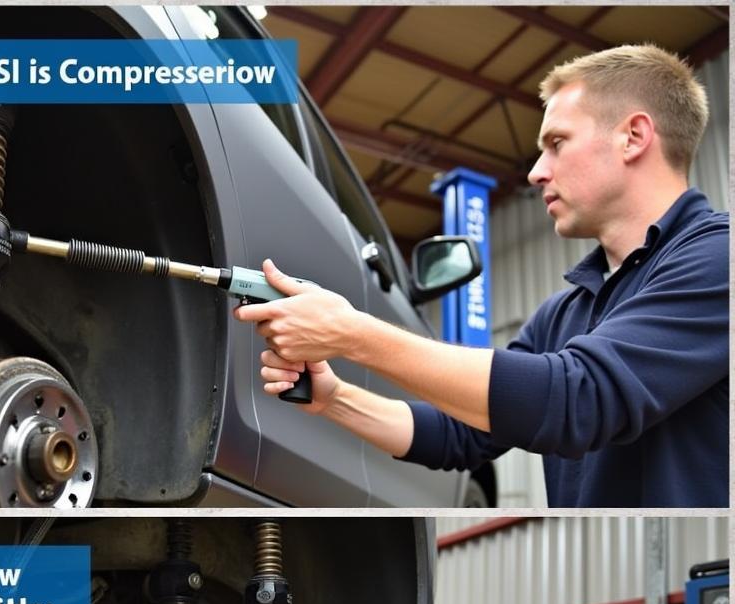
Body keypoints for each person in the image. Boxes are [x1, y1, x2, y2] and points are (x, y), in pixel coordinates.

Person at [237, 44, 728, 508]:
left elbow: (580, 399)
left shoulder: (717, 256)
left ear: (633, 136)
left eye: (557, 143)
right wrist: (338, 399)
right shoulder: (564, 314)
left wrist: (350, 333)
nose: (537, 171)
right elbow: (461, 436)